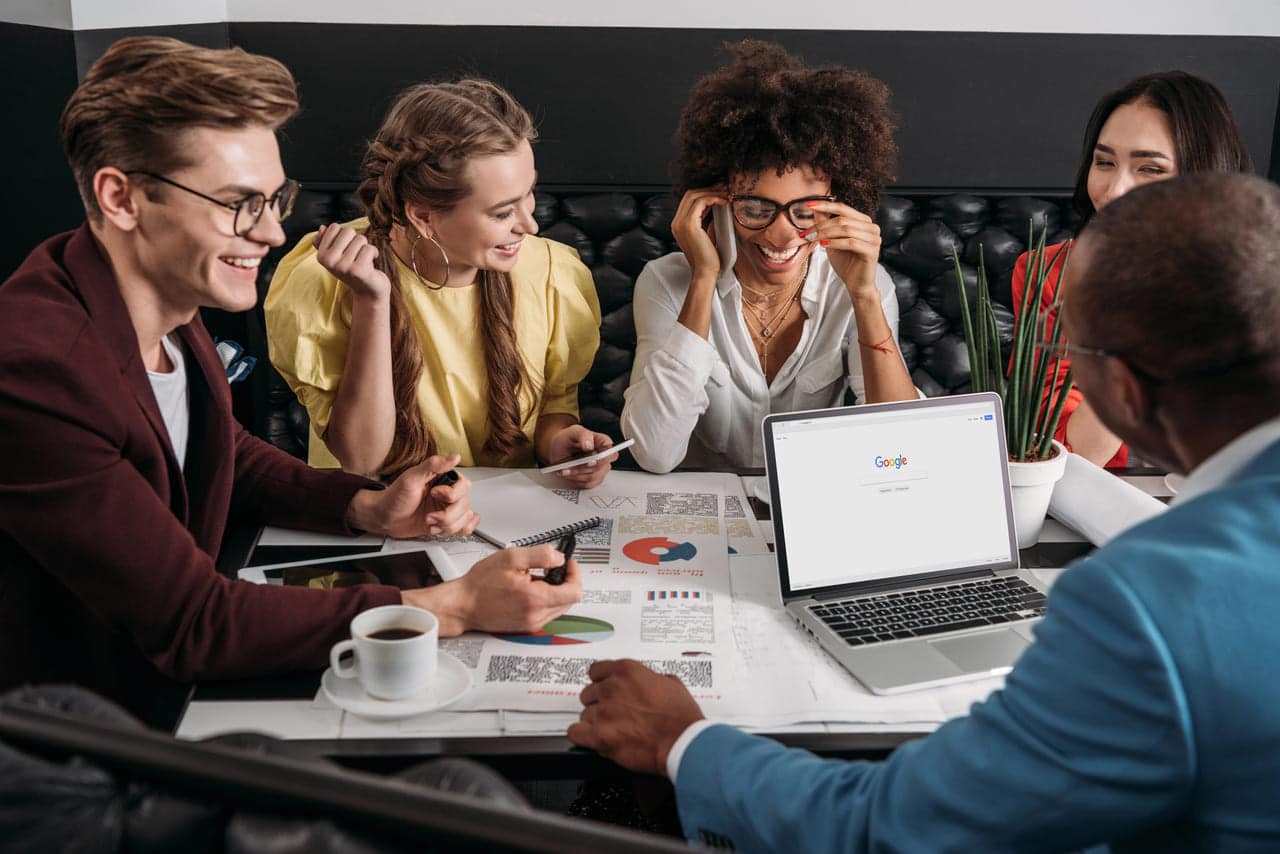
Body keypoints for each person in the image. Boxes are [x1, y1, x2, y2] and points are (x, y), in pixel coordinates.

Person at [569, 173, 1280, 851]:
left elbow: (888, 829)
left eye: (1073, 345)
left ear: (1119, 389)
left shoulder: (1143, 605)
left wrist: (681, 741)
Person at [0, 37, 581, 725]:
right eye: (241, 203)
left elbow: (226, 456)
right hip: (89, 736)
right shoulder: (36, 370)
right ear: (121, 197)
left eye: (276, 200)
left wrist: (364, 506)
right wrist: (451, 606)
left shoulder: (163, 302)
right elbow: (194, 623)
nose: (274, 233)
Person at [265, 80, 615, 488]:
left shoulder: (552, 271)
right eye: (502, 212)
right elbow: (360, 460)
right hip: (376, 512)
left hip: (500, 517)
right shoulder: (322, 282)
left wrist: (560, 443)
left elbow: (553, 407)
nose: (530, 224)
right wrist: (372, 301)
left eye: (530, 193)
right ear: (424, 216)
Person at [620, 41, 918, 473]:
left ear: (840, 203)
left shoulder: (863, 285)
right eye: (756, 209)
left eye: (807, 210)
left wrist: (864, 297)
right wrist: (704, 280)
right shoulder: (666, 282)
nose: (781, 234)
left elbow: (903, 444)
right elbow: (654, 454)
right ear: (718, 201)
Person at [1012, 70, 1252, 468]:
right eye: (1104, 162)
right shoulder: (1050, 273)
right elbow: (1077, 454)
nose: (1114, 191)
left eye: (1150, 169)